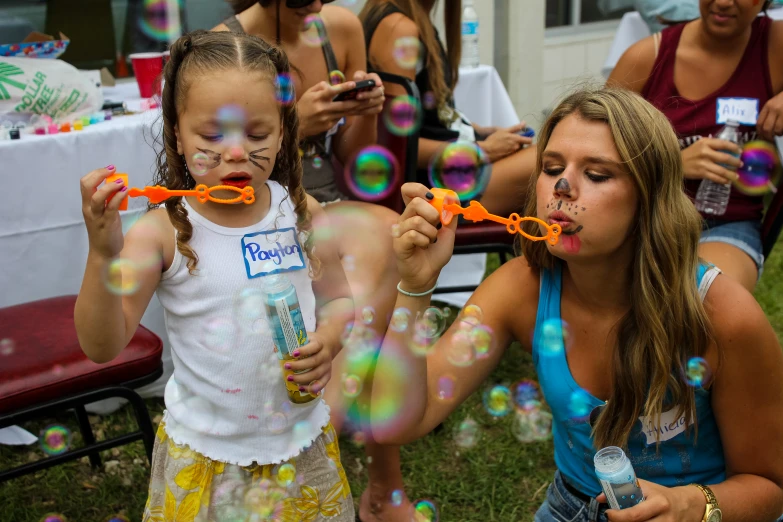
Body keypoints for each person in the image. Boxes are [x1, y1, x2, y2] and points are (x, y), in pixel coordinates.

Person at [372, 88, 783, 521]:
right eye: (551, 168)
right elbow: (397, 422)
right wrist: (416, 286)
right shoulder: (521, 289)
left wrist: (687, 505)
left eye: (598, 174)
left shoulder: (721, 313)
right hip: (573, 505)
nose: (562, 188)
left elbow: (770, 488)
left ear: (649, 197)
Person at [75, 30, 356, 521]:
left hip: (299, 444)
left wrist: (329, 340)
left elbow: (338, 301)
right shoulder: (162, 232)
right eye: (212, 135)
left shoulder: (301, 212)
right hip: (209, 456)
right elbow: (103, 345)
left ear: (285, 131)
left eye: (257, 133)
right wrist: (102, 253)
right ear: (177, 135)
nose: (235, 152)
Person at [214, 2, 414, 520]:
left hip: (324, 200)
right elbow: (221, 170)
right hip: (257, 209)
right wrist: (294, 126)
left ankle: (324, 423)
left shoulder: (341, 28)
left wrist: (363, 114)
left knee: (390, 243)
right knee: (375, 285)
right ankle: (350, 460)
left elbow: (353, 157)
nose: (317, 6)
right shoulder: (225, 46)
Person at [608, 0, 783, 292]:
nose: (725, 2)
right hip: (643, 219)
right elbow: (593, 151)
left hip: (726, 225)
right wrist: (672, 163)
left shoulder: (775, 44)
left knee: (708, 295)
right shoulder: (646, 57)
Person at [360, 0, 534, 216]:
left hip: (452, 169)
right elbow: (400, 144)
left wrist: (481, 132)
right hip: (432, 188)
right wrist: (483, 150)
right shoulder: (399, 27)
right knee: (549, 161)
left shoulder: (414, 18)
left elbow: (432, 117)